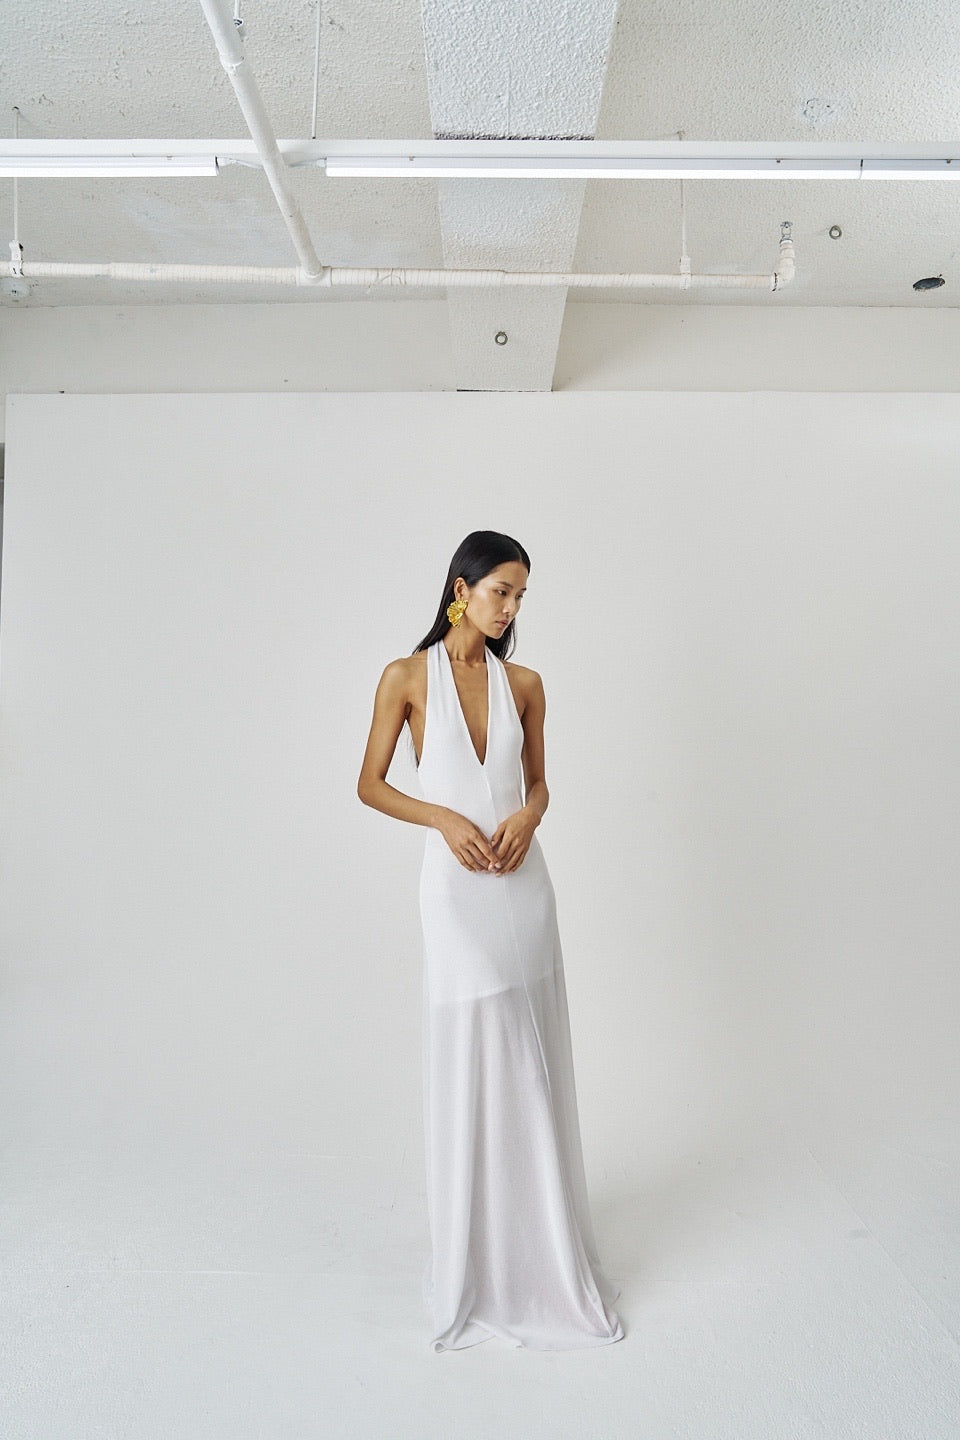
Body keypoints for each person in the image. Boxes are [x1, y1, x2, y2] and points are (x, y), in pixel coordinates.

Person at [357, 530, 624, 1351]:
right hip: (454, 894)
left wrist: (528, 817)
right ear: (461, 590)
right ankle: (480, 1254)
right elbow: (369, 784)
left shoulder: (526, 685)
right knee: (481, 1050)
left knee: (529, 1054)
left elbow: (539, 784)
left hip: (523, 885)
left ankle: (540, 1247)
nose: (510, 609)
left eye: (520, 596)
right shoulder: (405, 677)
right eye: (501, 591)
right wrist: (441, 818)